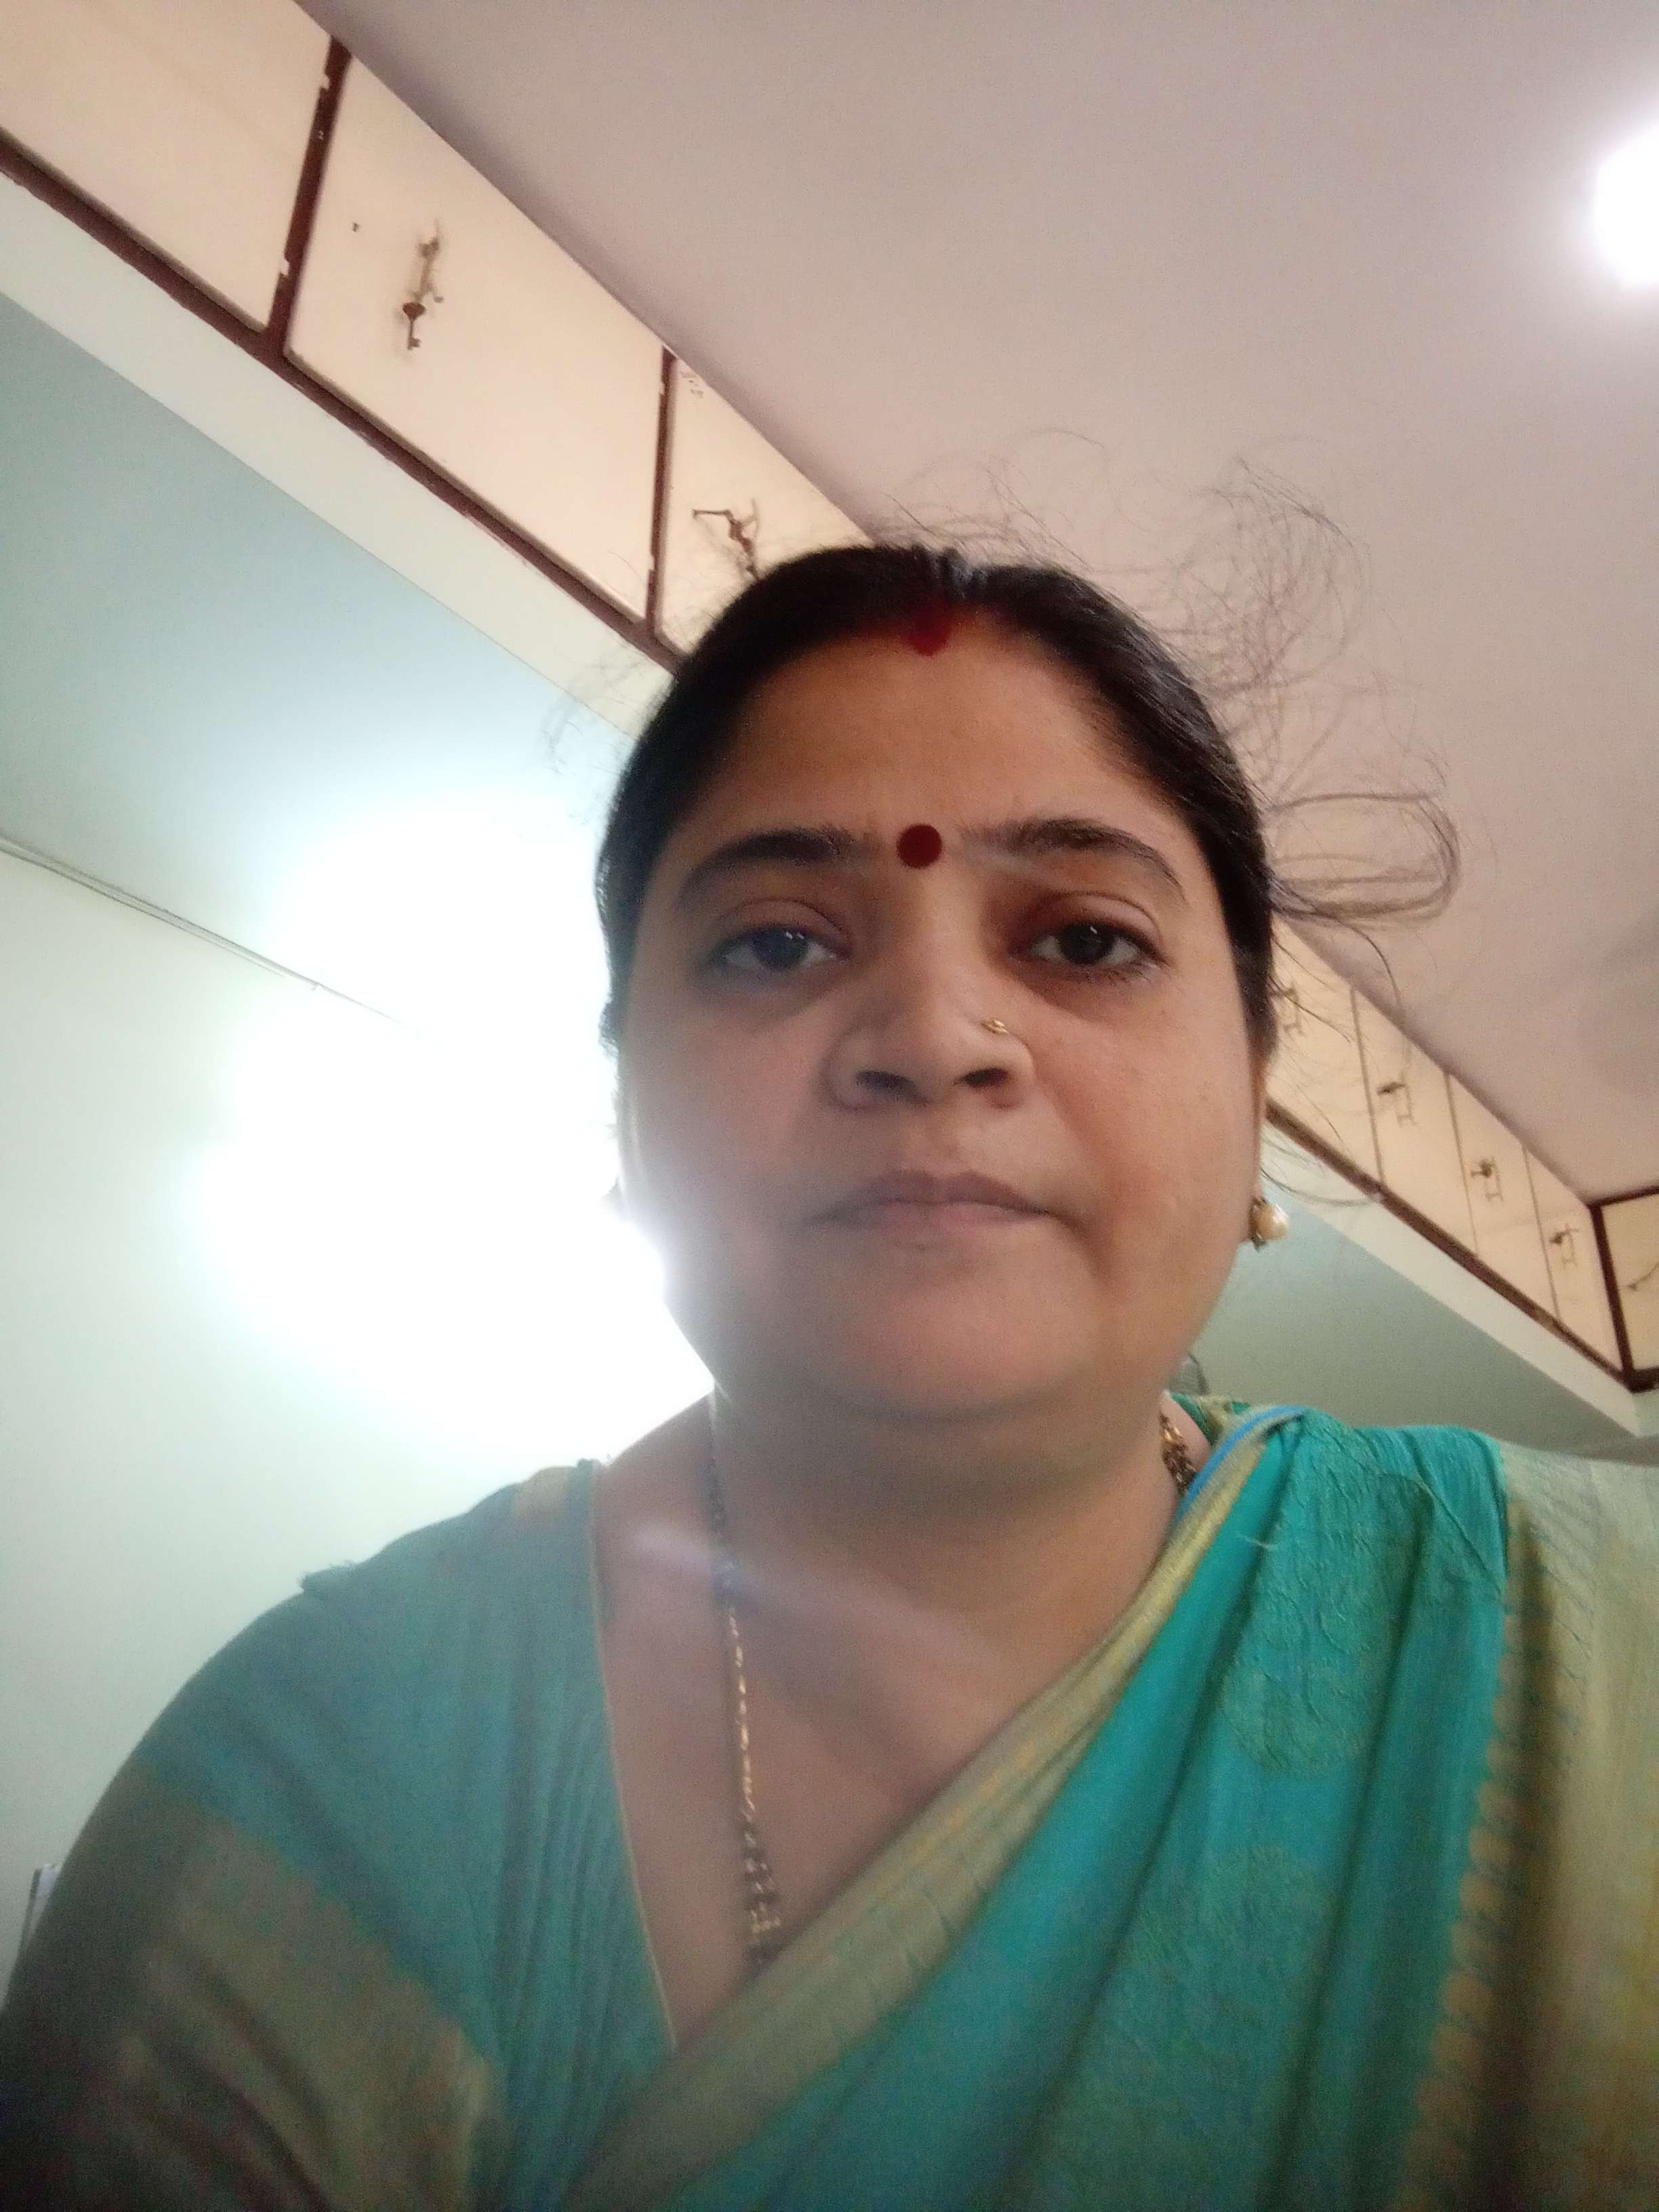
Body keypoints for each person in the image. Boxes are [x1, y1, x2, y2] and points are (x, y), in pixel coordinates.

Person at [1, 544, 1654, 2210]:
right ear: (624, 1109)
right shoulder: (328, 1767)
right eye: (777, 945)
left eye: (1084, 940)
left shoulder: (1596, 1643)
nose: (933, 1034)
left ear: (1258, 1086)